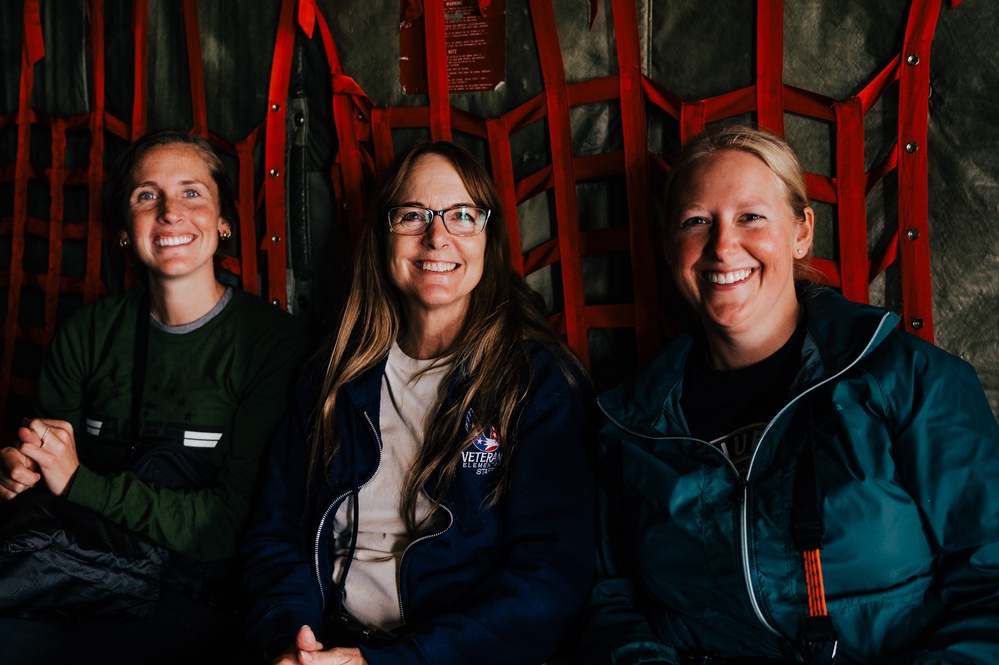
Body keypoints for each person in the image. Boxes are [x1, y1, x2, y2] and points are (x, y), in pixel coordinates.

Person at [578, 123, 999, 664]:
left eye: (750, 217)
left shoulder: (913, 381)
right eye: (696, 221)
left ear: (802, 232)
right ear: (669, 244)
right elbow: (612, 597)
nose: (723, 245)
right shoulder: (630, 426)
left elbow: (989, 584)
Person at [241, 140, 594, 665]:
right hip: (328, 644)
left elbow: (549, 579)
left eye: (462, 215)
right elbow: (277, 531)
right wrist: (293, 638)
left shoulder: (536, 380)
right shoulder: (334, 373)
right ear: (382, 236)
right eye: (413, 215)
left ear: (488, 237)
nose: (437, 237)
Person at [0, 130, 310, 664]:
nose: (170, 212)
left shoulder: (273, 344)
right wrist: (17, 471)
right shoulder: (89, 332)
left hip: (196, 591)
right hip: (81, 572)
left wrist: (79, 481)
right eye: (147, 195)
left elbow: (228, 527)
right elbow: (46, 488)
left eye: (192, 193)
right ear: (126, 229)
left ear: (223, 221)